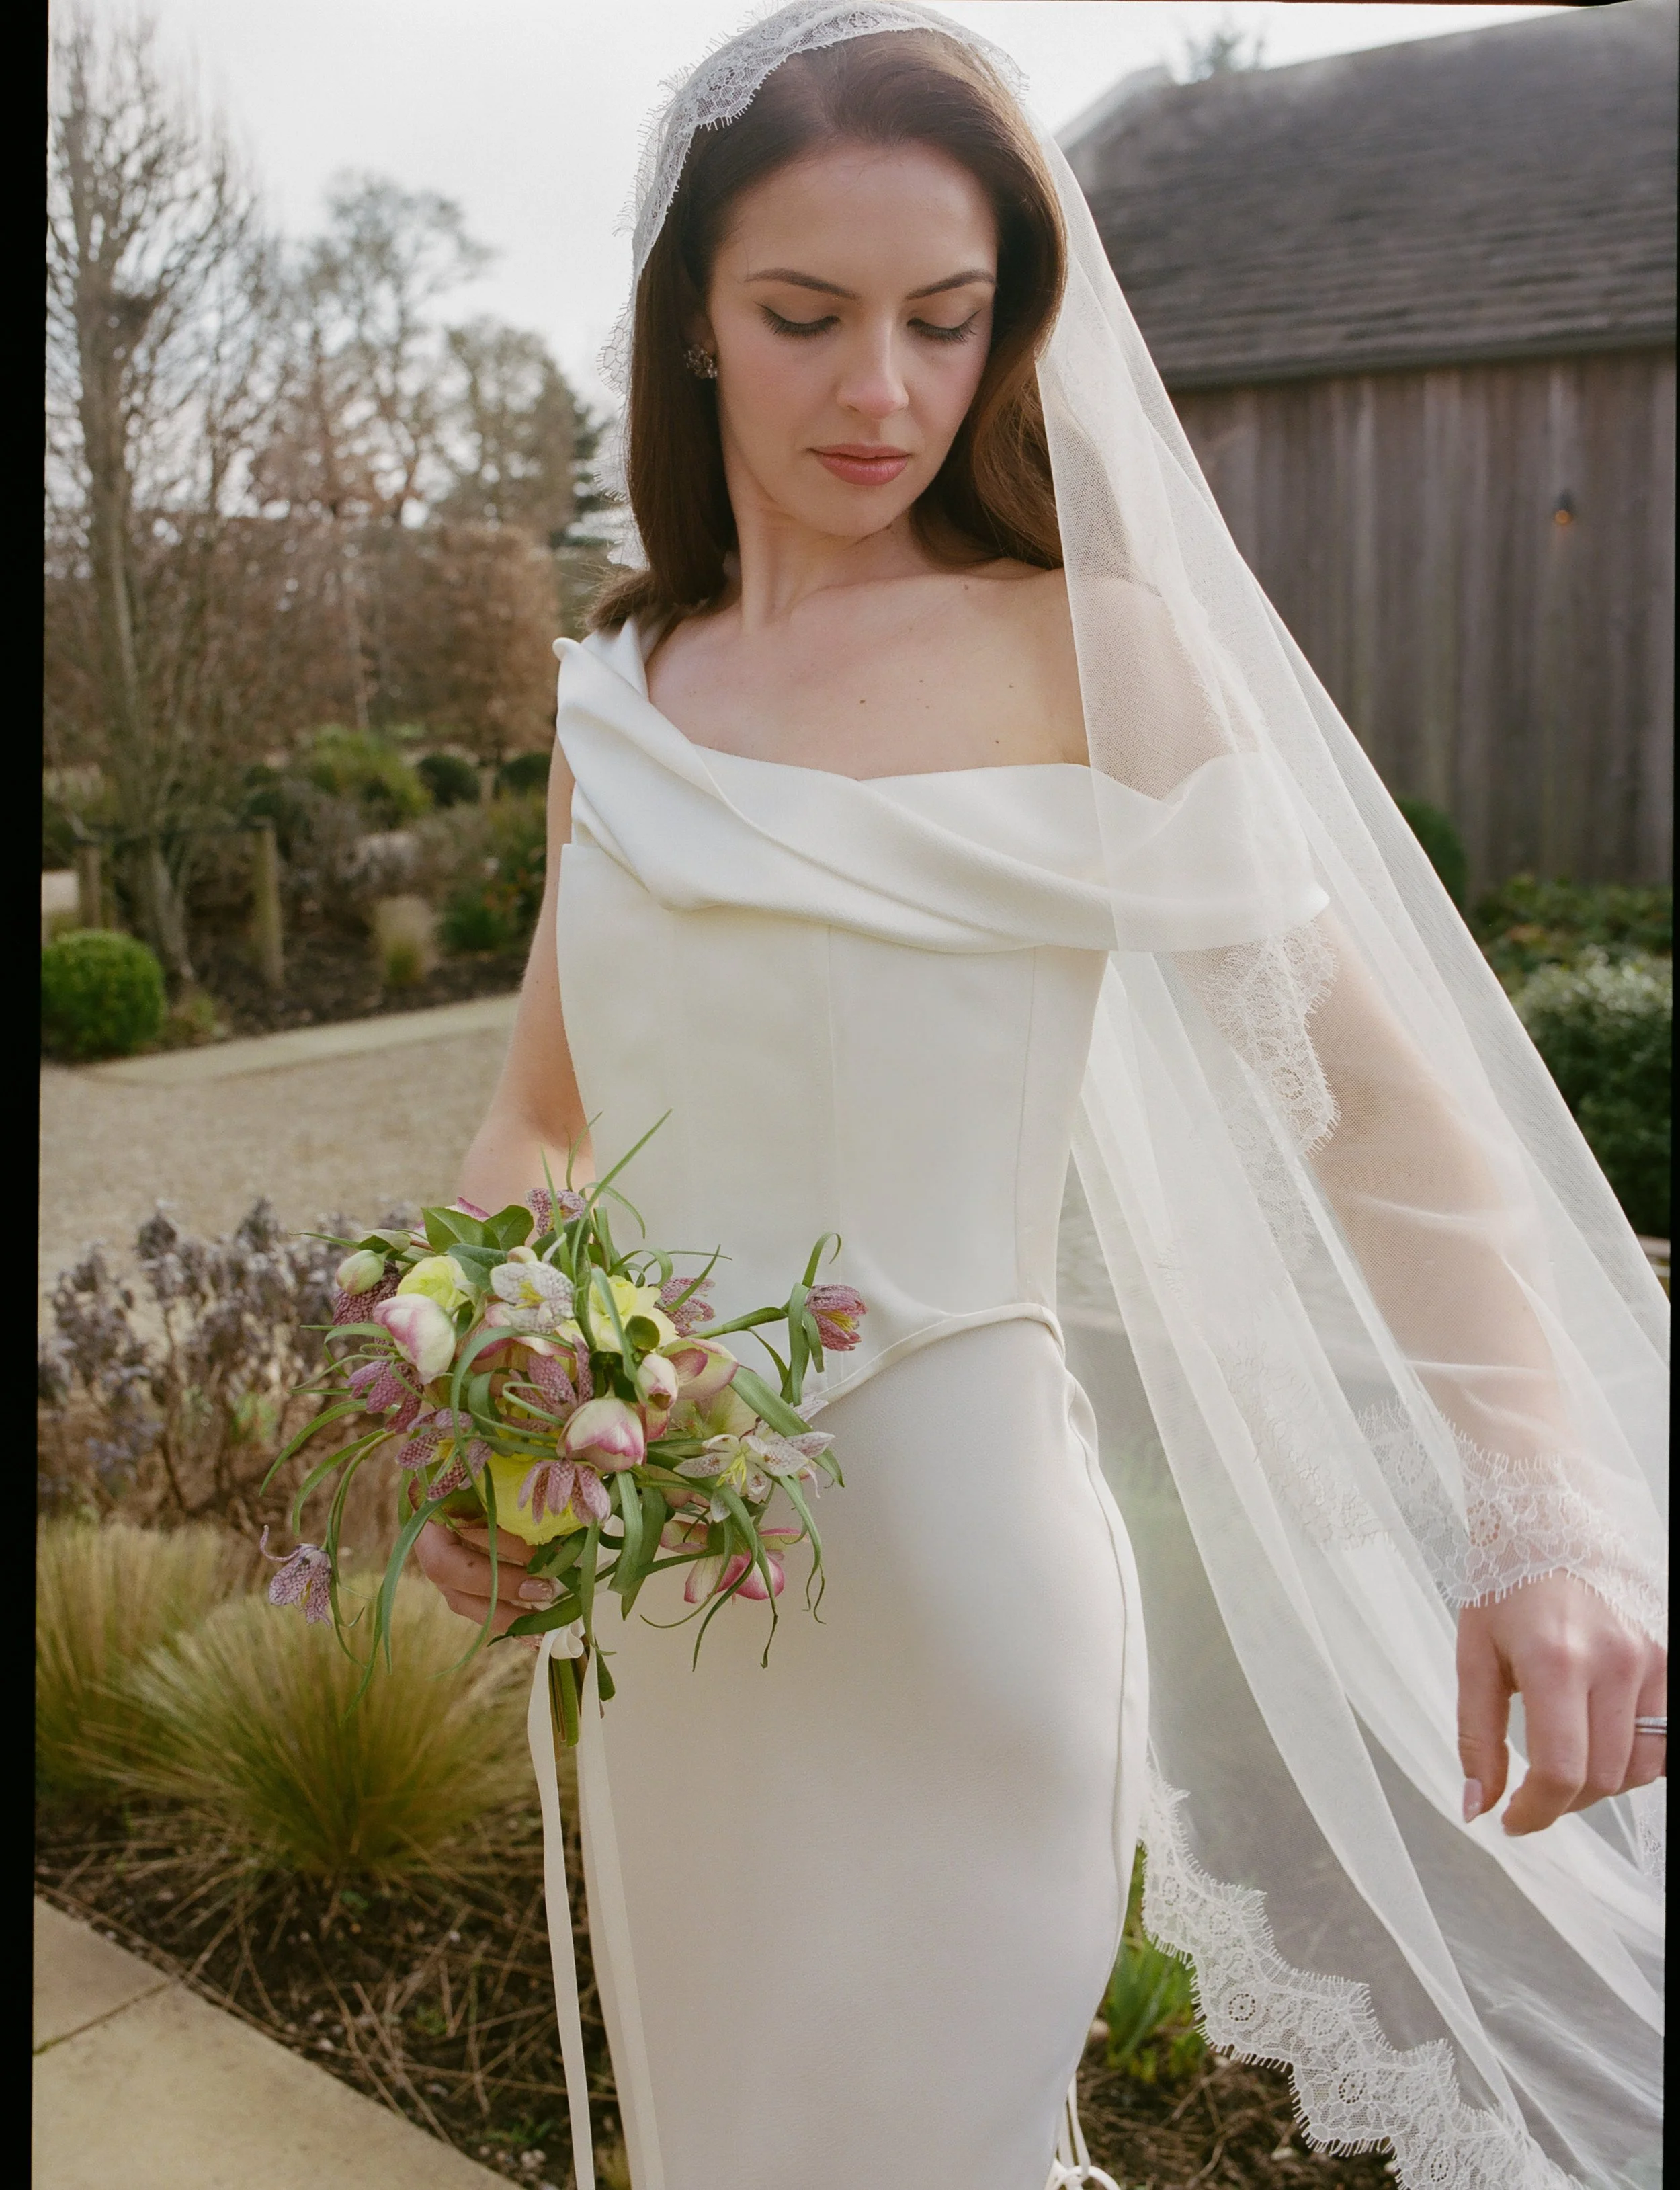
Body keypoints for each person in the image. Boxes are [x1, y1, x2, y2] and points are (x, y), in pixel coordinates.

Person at [416, 9, 1665, 2187]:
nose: (879, 391)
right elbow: (539, 1119)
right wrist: (501, 1410)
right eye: (802, 318)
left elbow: (1372, 1113)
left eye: (942, 319)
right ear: (694, 326)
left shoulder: (1097, 656)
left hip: (960, 1601)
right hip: (670, 1623)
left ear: (1013, 329)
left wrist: (1533, 1522)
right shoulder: (624, 698)